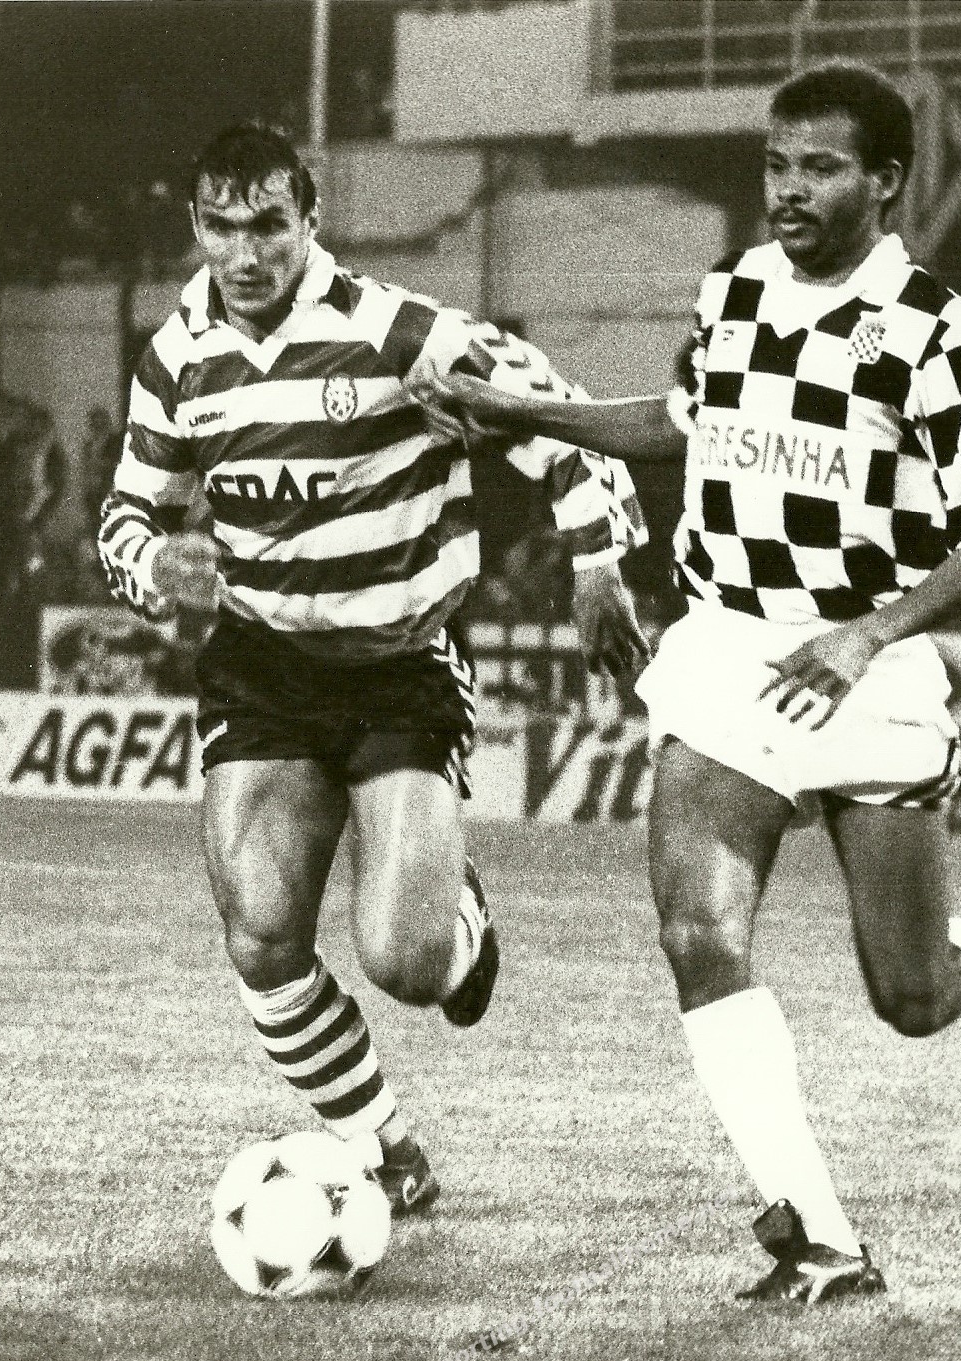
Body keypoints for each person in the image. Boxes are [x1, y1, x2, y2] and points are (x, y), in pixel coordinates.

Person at [409, 62, 961, 1304]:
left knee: (915, 995)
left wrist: (867, 635)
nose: (789, 189)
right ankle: (819, 1236)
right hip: (724, 651)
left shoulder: (940, 333)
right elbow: (683, 421)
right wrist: (516, 412)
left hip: (867, 669)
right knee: (696, 934)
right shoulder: (736, 289)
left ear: (885, 180)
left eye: (821, 167)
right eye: (776, 165)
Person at [96, 123, 648, 1217]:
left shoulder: (401, 330)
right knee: (262, 938)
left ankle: (456, 922)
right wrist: (155, 563)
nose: (245, 253)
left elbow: (565, 424)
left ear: (310, 217)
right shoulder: (175, 361)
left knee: (405, 960)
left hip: (398, 667)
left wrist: (597, 562)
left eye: (268, 224)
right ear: (195, 225)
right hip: (260, 669)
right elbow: (123, 517)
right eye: (221, 227)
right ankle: (385, 1148)